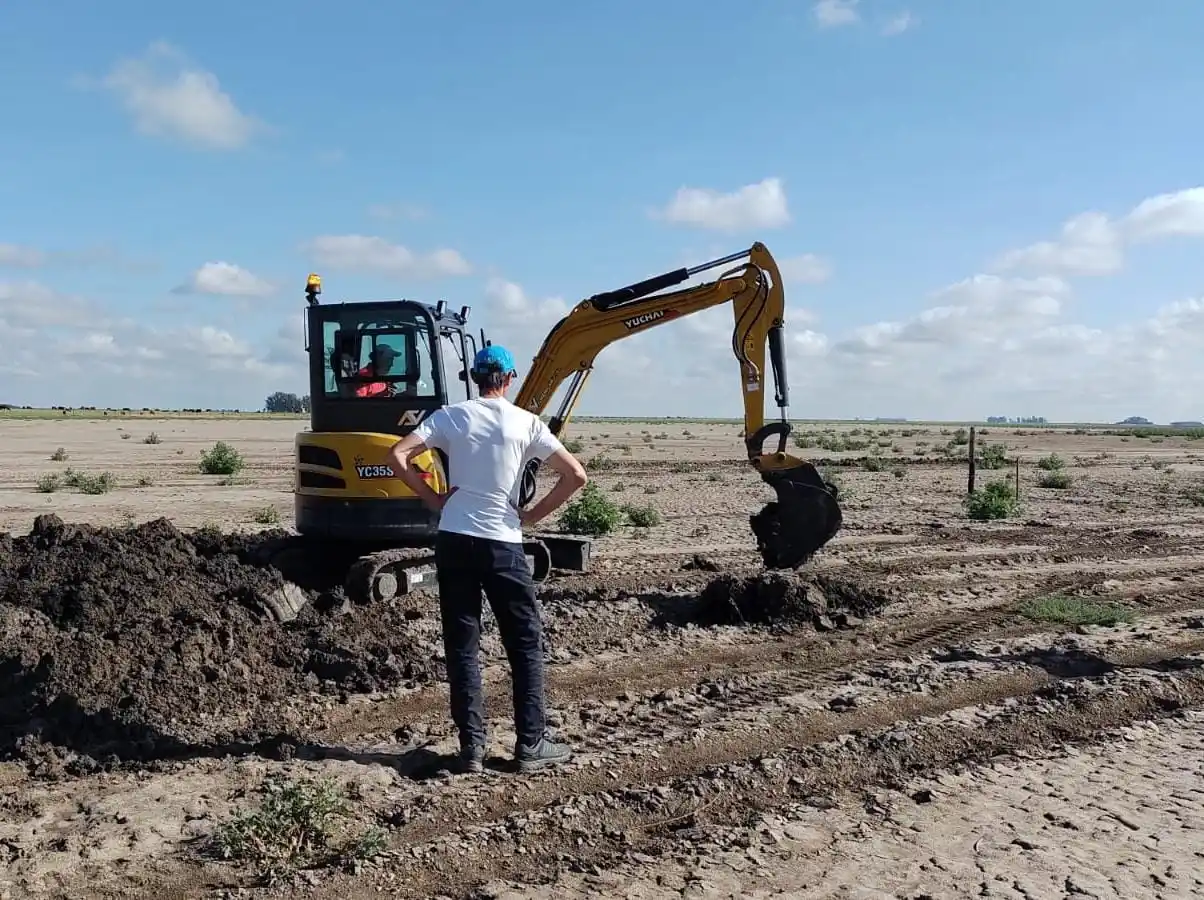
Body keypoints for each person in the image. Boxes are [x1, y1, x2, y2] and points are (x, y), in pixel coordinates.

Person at [386, 343, 588, 774]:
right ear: (510, 379)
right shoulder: (527, 423)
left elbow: (398, 454)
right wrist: (532, 514)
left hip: (455, 538)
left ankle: (471, 750)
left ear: (474, 378)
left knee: (463, 646)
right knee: (525, 645)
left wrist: (433, 497)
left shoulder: (451, 416)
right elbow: (576, 475)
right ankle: (530, 744)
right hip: (503, 543)